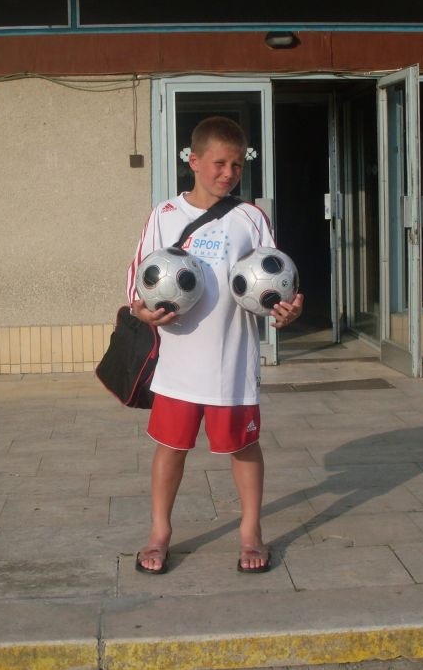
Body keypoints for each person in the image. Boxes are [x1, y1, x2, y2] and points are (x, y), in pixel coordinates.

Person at [127, 116, 303, 575]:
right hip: (178, 365)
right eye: (220, 163)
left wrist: (286, 311)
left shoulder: (250, 218)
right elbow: (138, 279)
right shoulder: (165, 215)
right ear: (193, 160)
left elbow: (277, 279)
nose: (229, 173)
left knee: (243, 448)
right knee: (171, 448)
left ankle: (250, 532)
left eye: (237, 165)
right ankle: (159, 533)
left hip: (232, 362)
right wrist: (141, 311)